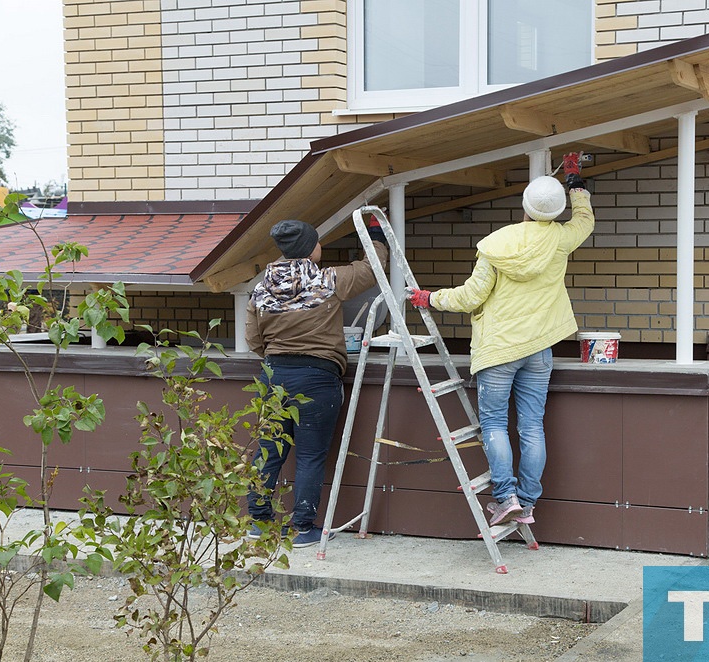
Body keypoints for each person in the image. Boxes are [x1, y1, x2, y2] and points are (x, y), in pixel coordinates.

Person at [407, 154, 593, 527]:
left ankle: (505, 497)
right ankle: (527, 502)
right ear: (555, 212)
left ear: (524, 205)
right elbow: (585, 219)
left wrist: (430, 298)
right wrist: (574, 181)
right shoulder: (561, 239)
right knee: (532, 425)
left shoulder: (495, 245)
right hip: (539, 348)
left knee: (493, 423)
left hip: (498, 349)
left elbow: (471, 297)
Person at [245, 217, 388, 546]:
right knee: (310, 456)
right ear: (311, 248)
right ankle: (301, 529)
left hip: (275, 377)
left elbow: (253, 340)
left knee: (269, 451)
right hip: (317, 378)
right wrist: (376, 234)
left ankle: (258, 523)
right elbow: (373, 265)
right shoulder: (329, 281)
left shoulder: (263, 286)